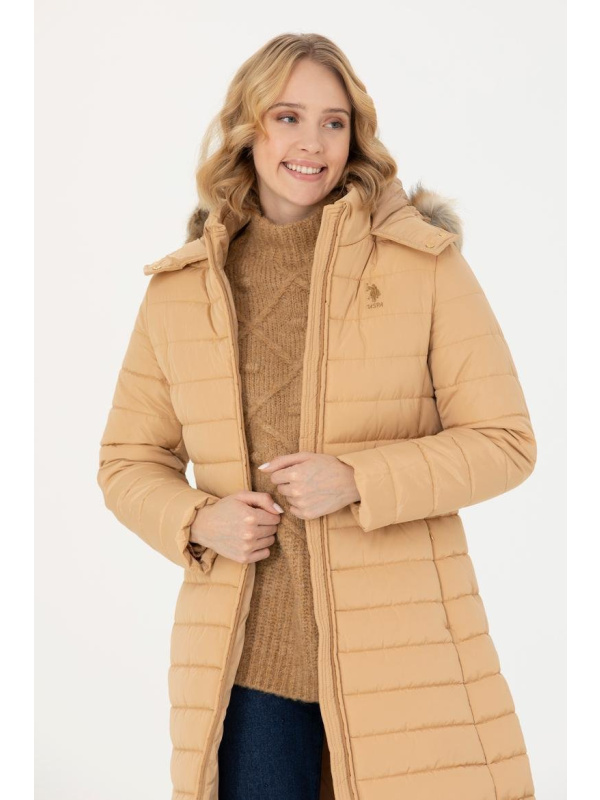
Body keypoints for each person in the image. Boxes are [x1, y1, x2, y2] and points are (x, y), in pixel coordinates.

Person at [97, 32, 538, 800]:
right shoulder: (182, 290)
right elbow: (127, 462)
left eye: (335, 122)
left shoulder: (422, 263)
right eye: (288, 117)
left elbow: (506, 442)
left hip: (399, 658)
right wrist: (199, 520)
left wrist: (359, 479)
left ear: (355, 134)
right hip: (249, 666)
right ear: (247, 128)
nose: (313, 143)